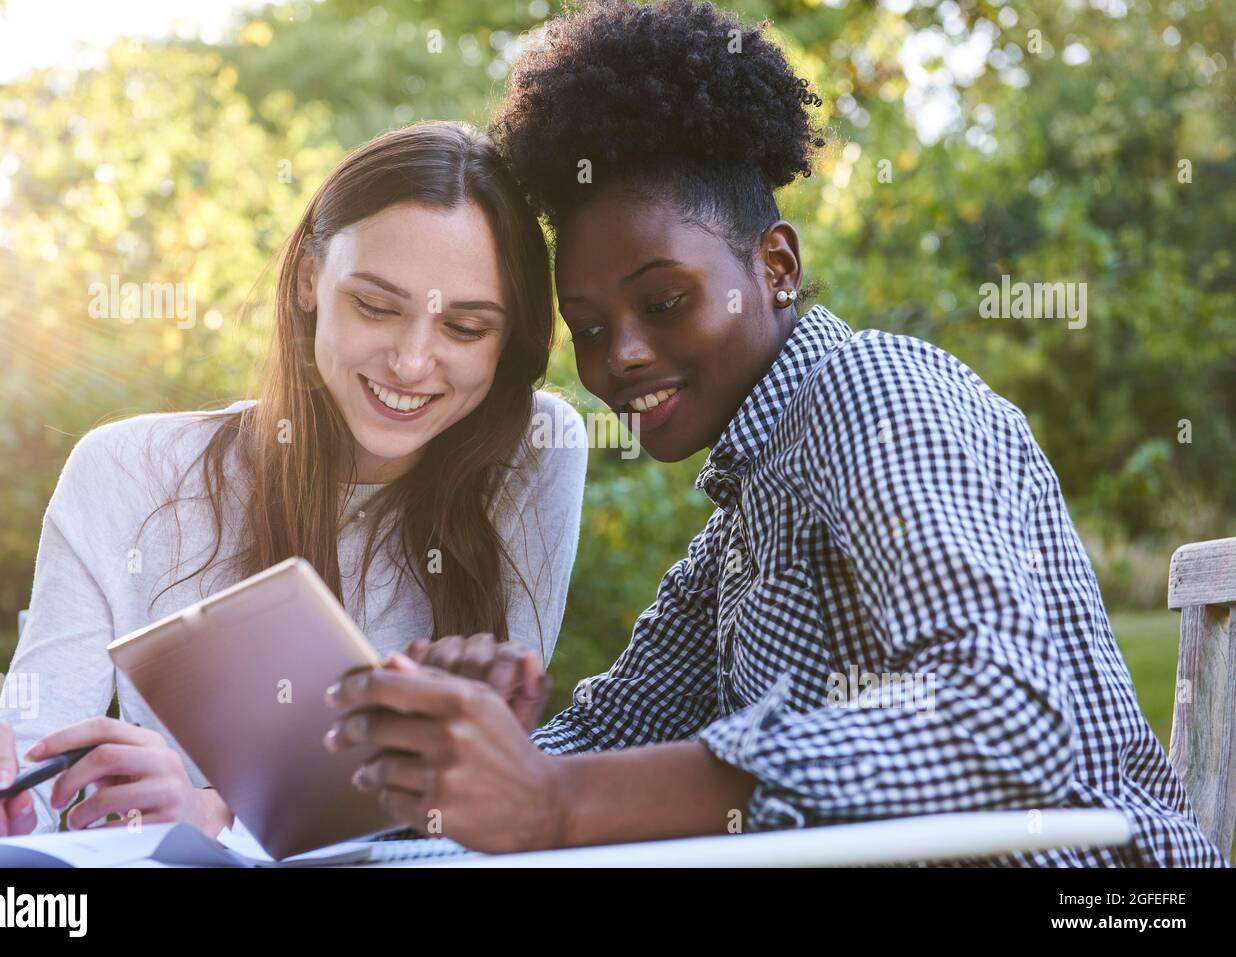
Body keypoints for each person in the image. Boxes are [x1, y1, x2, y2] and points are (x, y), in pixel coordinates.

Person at [323, 0, 1226, 866]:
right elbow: (612, 733)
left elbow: (1004, 720)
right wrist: (462, 753)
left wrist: (557, 802)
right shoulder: (744, 513)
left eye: (664, 300)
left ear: (777, 265)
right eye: (589, 328)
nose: (621, 357)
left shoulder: (881, 397)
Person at [0, 122, 587, 844]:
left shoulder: (534, 451)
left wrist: (212, 809)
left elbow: (464, 783)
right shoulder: (124, 473)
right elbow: (40, 770)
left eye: (465, 327)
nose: (410, 361)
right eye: (375, 306)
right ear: (310, 279)